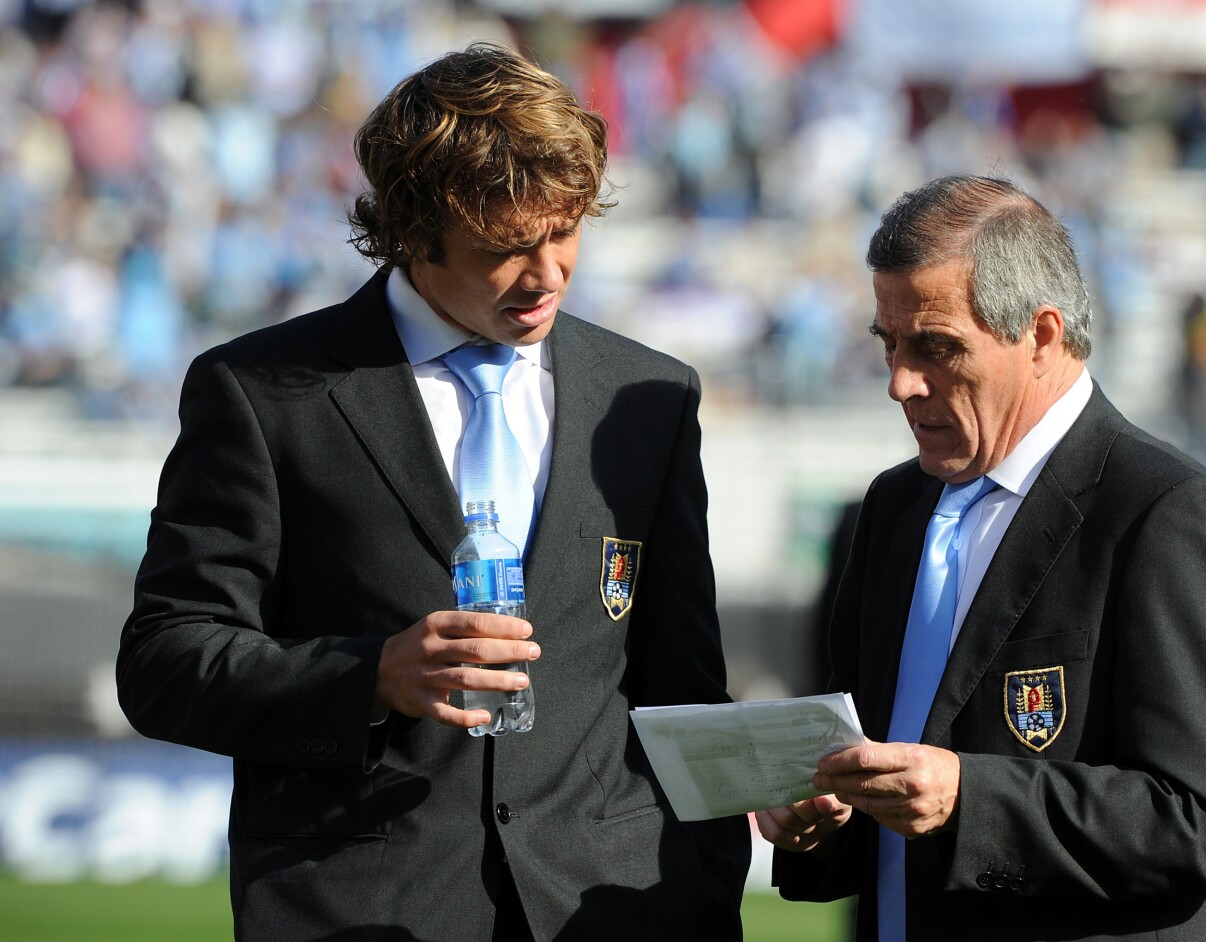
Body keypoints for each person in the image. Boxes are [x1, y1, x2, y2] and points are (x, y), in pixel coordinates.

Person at [117, 42, 749, 941]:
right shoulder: (262, 392)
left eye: (565, 231)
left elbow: (683, 688)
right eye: (505, 248)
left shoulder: (647, 397)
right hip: (359, 910)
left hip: (612, 912)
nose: (548, 274)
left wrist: (703, 890)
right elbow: (164, 661)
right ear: (414, 230)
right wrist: (371, 675)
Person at [758, 175, 1206, 941]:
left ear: (1040, 335)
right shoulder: (893, 511)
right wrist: (816, 814)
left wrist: (972, 799)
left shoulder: (1166, 514)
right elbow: (872, 780)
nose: (900, 381)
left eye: (937, 348)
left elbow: (1203, 824)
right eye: (889, 345)